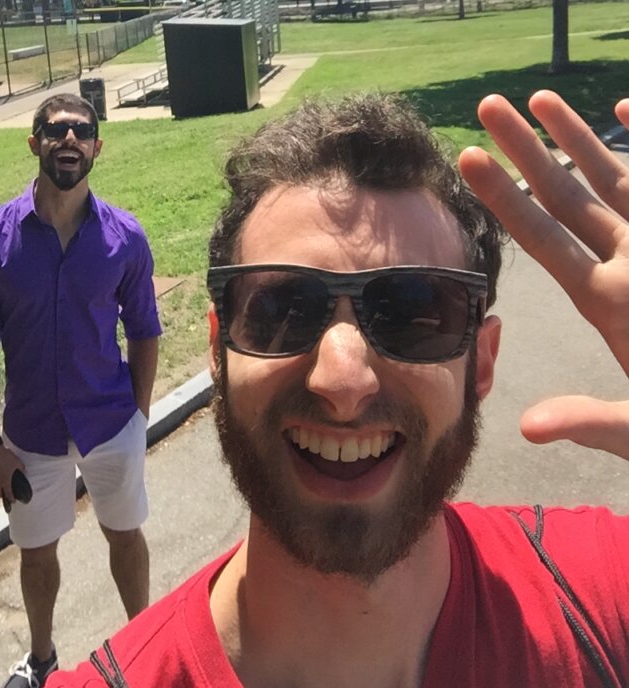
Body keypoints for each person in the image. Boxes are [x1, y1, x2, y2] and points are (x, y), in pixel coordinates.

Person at [49, 90, 629, 688]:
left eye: (413, 311)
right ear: (218, 351)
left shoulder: (599, 593)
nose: (343, 381)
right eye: (283, 309)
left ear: (480, 363)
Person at [0, 92, 161, 688]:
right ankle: (42, 657)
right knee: (36, 551)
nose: (68, 139)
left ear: (97, 147)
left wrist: (139, 420)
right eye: (55, 131)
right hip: (31, 433)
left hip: (109, 421)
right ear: (35, 144)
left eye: (81, 131)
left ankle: (143, 644)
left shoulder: (126, 238)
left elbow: (145, 329)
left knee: (125, 535)